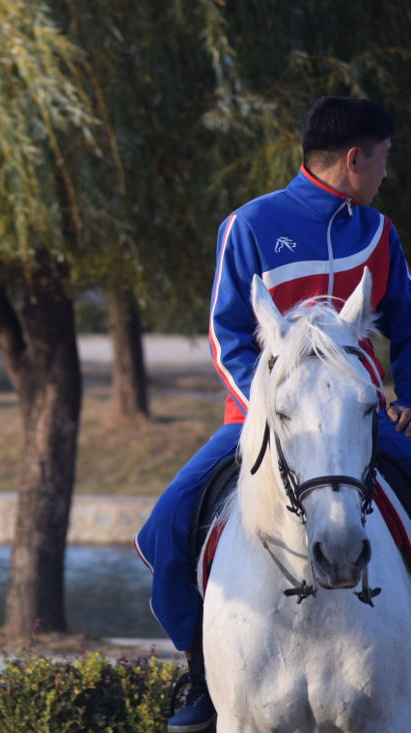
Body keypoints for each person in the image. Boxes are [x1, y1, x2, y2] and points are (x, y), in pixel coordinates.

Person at [135, 95, 411, 733]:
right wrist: (263, 408)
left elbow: (408, 326)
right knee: (164, 532)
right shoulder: (251, 224)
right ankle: (201, 672)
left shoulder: (380, 233)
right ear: (354, 158)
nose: (386, 174)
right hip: (257, 423)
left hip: (360, 425)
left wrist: (410, 397)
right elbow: (226, 332)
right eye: (384, 160)